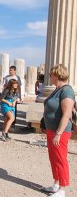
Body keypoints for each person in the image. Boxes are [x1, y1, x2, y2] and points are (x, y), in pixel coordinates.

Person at [42, 64, 74, 197]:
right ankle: (56, 184)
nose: (49, 76)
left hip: (60, 132)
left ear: (57, 75)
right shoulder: (57, 89)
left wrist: (59, 133)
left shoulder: (67, 91)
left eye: (51, 74)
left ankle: (62, 189)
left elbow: (66, 114)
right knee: (53, 158)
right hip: (51, 130)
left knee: (60, 159)